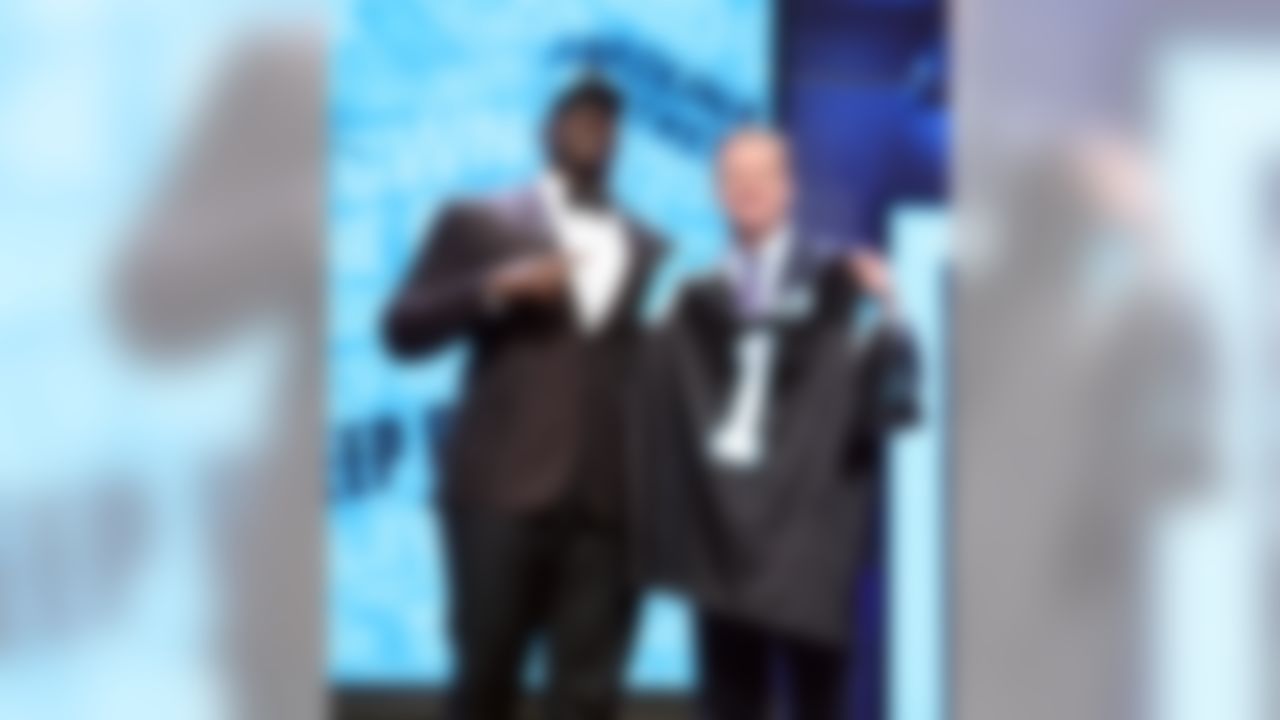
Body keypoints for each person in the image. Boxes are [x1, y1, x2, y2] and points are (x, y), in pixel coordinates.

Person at [382, 77, 664, 720]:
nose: (594, 126)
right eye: (578, 115)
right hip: (499, 498)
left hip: (607, 507)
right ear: (545, 131)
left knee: (590, 699)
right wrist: (493, 287)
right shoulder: (480, 220)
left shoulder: (647, 245)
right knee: (484, 685)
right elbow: (401, 327)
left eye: (608, 119)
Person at [630, 128, 918, 720]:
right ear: (716, 191)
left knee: (820, 706)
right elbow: (639, 403)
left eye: (763, 175)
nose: (749, 189)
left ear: (789, 188)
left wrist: (892, 314)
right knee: (729, 707)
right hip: (721, 542)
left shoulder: (843, 284)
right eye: (735, 177)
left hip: (810, 545)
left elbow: (897, 401)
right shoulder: (688, 300)